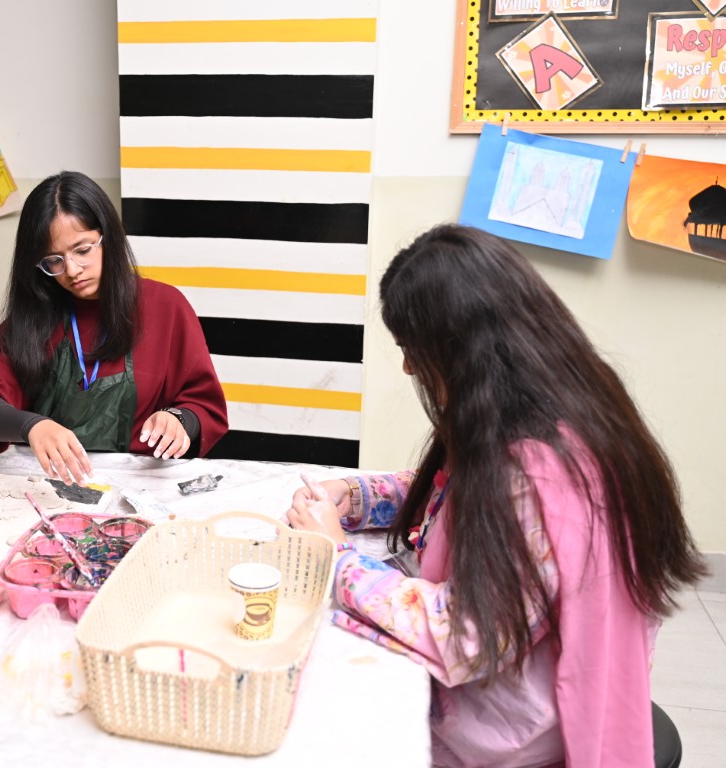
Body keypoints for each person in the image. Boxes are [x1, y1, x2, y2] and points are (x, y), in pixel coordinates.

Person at [285, 224, 706, 767]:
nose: (408, 367)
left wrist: (335, 555)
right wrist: (360, 495)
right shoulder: (552, 409)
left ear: (462, 349)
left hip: (517, 731)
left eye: (411, 349)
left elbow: (467, 636)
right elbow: (457, 490)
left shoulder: (540, 478)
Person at [0, 171, 228, 483]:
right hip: (51, 486)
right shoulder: (32, 321)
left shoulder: (166, 307)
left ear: (108, 236)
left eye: (83, 250)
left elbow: (204, 406)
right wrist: (31, 426)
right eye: (54, 261)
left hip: (142, 487)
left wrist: (178, 419)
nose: (72, 271)